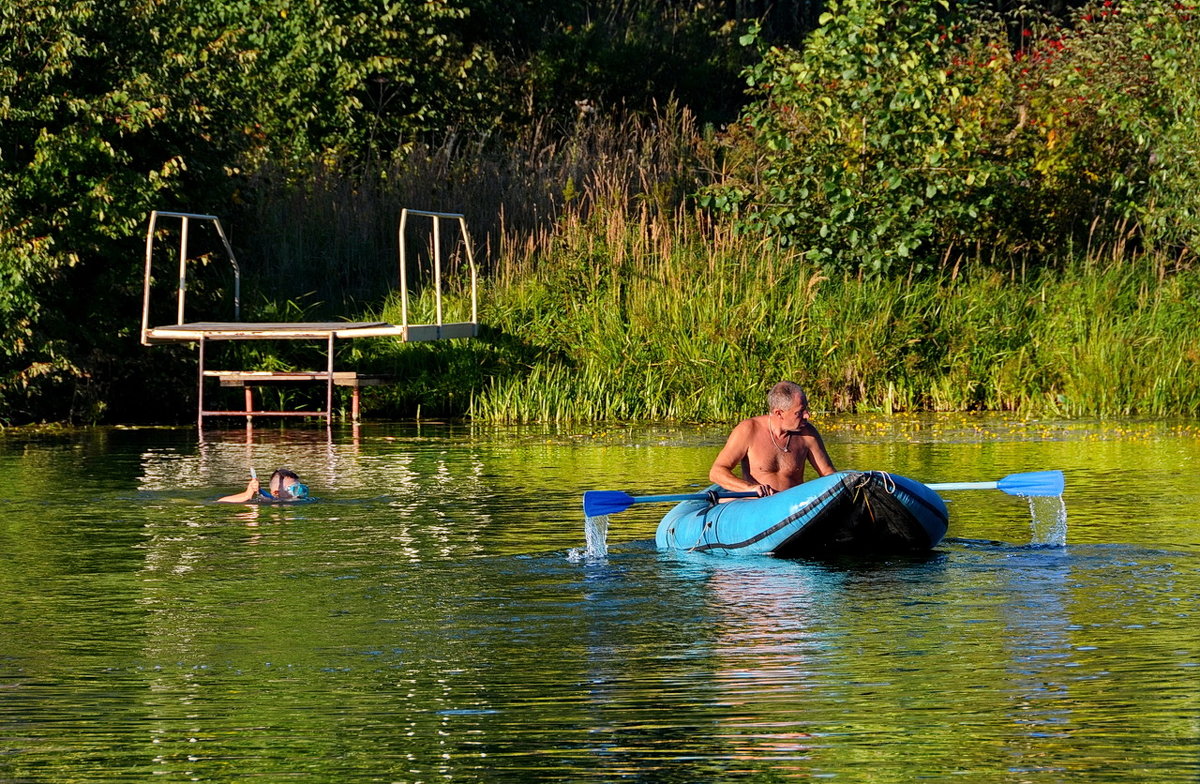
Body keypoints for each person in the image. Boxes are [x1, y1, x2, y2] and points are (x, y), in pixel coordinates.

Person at [709, 381, 836, 497]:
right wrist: (750, 488)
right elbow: (717, 472)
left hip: (794, 506)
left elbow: (828, 473)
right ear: (779, 413)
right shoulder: (748, 430)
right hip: (759, 506)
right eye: (800, 412)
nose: (807, 415)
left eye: (806, 409)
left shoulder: (808, 433)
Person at [217, 468, 310, 503]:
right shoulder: (268, 499)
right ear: (276, 493)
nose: (300, 492)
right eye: (295, 489)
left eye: (301, 488)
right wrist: (247, 495)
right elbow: (220, 501)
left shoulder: (304, 500)